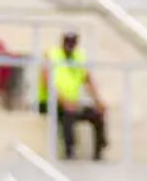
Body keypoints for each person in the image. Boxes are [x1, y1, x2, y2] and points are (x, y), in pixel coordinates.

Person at [39, 31, 108, 160]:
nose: (70, 46)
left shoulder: (79, 56)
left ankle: (100, 150)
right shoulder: (51, 54)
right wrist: (63, 101)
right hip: (51, 102)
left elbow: (87, 80)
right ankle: (69, 151)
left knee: (97, 114)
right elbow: (46, 82)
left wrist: (98, 101)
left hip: (72, 101)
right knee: (67, 115)